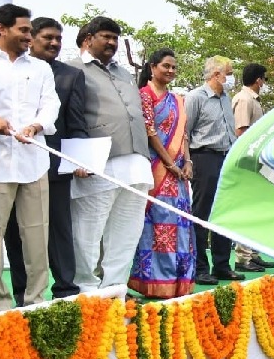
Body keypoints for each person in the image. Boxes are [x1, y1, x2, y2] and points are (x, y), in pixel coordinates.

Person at [67, 16, 153, 292]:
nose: (112, 42)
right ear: (88, 39)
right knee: (88, 231)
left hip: (137, 163)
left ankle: (115, 289)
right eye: (106, 36)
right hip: (96, 162)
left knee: (127, 232)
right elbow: (68, 117)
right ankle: (86, 290)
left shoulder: (124, 73)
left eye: (115, 38)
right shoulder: (72, 69)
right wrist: (75, 158)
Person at [4, 17, 85, 305]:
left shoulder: (71, 75)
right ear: (31, 39)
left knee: (59, 229)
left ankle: (65, 290)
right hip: (10, 165)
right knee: (15, 232)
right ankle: (21, 293)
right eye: (47, 37)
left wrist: (79, 159)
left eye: (58, 38)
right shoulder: (7, 70)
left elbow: (76, 123)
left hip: (54, 166)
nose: (54, 43)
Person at [0, 4, 59, 310]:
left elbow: (51, 104)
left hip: (33, 163)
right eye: (24, 30)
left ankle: (35, 302)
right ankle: (0, 303)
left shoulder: (40, 68)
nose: (30, 36)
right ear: (2, 29)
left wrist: (36, 125)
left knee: (37, 236)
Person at [127, 48, 196, 299]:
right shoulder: (144, 95)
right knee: (156, 224)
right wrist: (169, 164)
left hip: (179, 174)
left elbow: (183, 134)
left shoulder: (177, 99)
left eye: (174, 67)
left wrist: (187, 162)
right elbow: (150, 132)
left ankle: (178, 282)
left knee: (180, 224)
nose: (170, 70)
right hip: (156, 168)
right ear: (152, 67)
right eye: (166, 66)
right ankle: (155, 282)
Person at [185, 56, 243, 284]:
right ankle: (200, 267)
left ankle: (222, 265)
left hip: (226, 158)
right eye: (229, 73)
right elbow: (185, 132)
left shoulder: (226, 98)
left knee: (224, 212)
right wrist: (187, 162)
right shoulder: (195, 97)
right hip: (204, 157)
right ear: (216, 75)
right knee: (202, 213)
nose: (232, 77)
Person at [230, 63, 274, 272]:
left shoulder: (254, 100)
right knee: (246, 210)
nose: (264, 83)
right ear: (259, 80)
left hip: (256, 162)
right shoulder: (244, 99)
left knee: (257, 209)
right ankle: (243, 258)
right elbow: (241, 131)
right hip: (246, 162)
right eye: (264, 79)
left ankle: (253, 254)